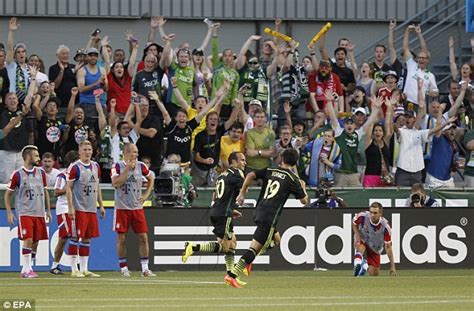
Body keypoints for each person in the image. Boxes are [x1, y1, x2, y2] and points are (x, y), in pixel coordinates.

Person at [225, 149, 308, 288]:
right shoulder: (293, 179)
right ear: (295, 163)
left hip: (258, 211)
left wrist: (242, 193)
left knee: (277, 240)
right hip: (269, 217)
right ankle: (232, 274)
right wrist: (303, 187)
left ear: (281, 158)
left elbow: (251, 174)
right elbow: (304, 201)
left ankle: (247, 262)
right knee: (254, 249)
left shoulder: (270, 170)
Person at [182, 152, 247, 285]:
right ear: (233, 162)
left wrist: (230, 209)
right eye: (242, 160)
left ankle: (230, 276)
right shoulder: (237, 173)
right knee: (226, 247)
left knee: (232, 243)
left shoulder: (222, 175)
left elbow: (216, 196)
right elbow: (244, 187)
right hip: (223, 214)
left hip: (217, 211)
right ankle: (194, 247)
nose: (244, 163)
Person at [5, 145, 51, 278]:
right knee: (28, 239)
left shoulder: (41, 173)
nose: (38, 158)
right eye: (36, 155)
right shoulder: (17, 174)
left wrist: (48, 210)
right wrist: (9, 212)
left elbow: (45, 191)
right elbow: (8, 194)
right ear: (28, 156)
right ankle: (26, 269)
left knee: (36, 242)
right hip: (25, 212)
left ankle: (28, 267)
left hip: (39, 212)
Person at [111, 143, 155, 277]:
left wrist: (146, 195)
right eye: (133, 152)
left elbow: (151, 178)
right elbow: (116, 183)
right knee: (121, 239)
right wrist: (126, 170)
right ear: (126, 153)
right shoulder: (117, 166)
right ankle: (124, 268)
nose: (135, 155)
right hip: (122, 208)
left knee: (143, 237)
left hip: (137, 208)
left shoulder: (141, 166)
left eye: (136, 152)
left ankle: (145, 269)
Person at [66, 140, 105, 278]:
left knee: (87, 238)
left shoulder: (95, 166)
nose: (87, 152)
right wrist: (70, 207)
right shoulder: (75, 167)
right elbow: (68, 188)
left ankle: (84, 269)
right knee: (75, 237)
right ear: (79, 151)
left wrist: (101, 204)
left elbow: (97, 186)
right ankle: (73, 269)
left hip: (91, 209)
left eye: (89, 149)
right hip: (79, 208)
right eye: (85, 149)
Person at [50, 150, 79, 275]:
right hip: (64, 208)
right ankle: (56, 265)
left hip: (76, 207)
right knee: (65, 237)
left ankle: (76, 265)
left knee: (75, 236)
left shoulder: (80, 175)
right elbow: (56, 192)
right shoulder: (62, 176)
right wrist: (68, 187)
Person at [352, 202, 396, 277]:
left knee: (374, 275)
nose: (372, 215)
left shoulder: (385, 227)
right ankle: (358, 263)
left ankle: (364, 266)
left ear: (380, 213)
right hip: (363, 239)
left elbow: (388, 247)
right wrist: (358, 235)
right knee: (360, 245)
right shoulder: (363, 216)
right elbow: (354, 223)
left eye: (375, 213)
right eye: (371, 212)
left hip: (375, 248)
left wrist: (392, 266)